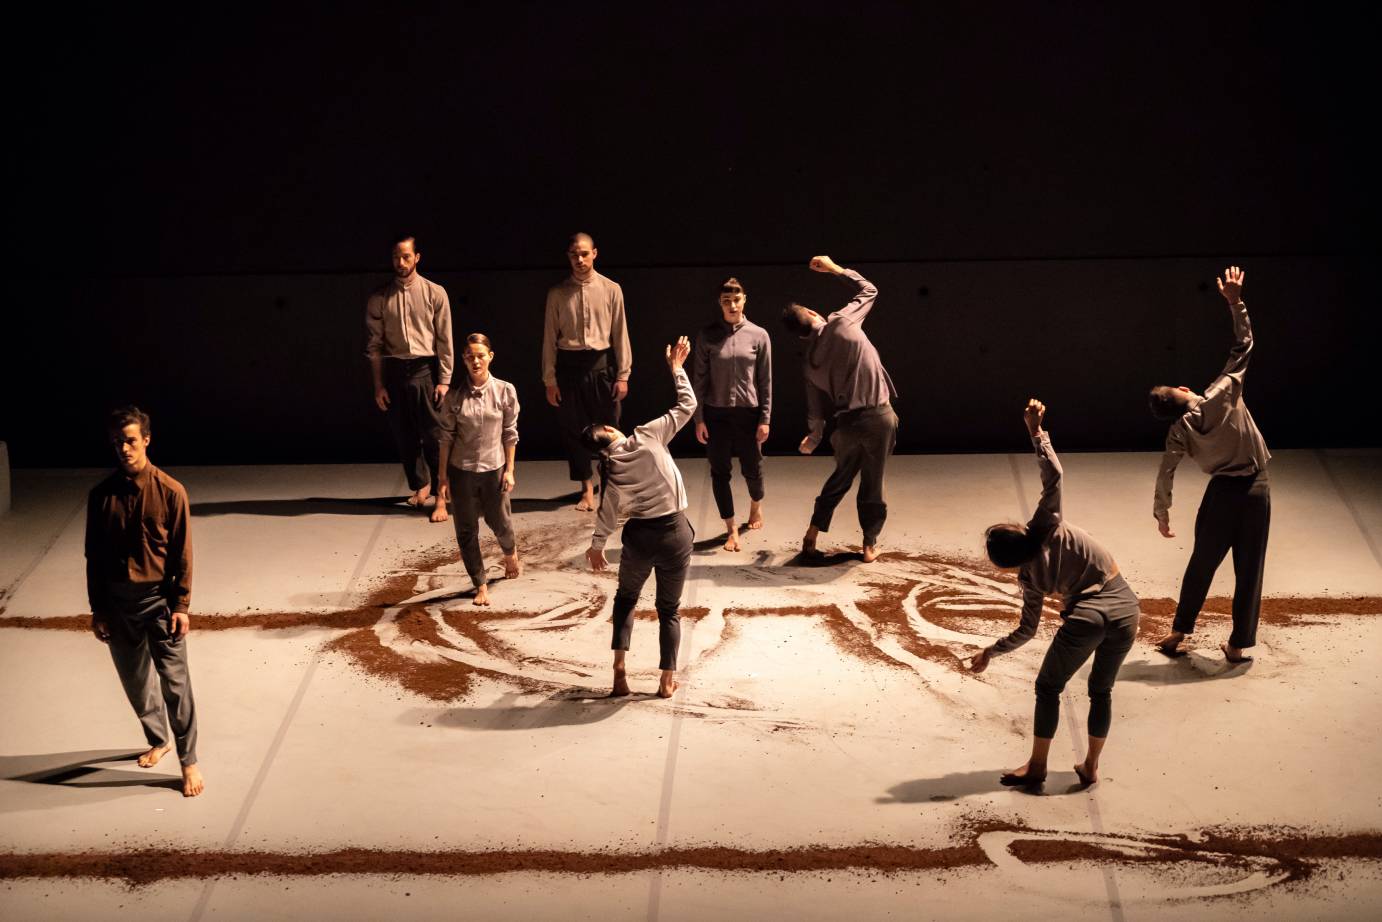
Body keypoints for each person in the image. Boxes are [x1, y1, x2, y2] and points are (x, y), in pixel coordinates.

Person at [969, 399, 1140, 790]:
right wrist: (1036, 430)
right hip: (1127, 608)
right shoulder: (1046, 523)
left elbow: (1027, 630)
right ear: (1017, 528)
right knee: (1102, 689)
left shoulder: (1029, 581)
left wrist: (990, 652)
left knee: (1048, 687)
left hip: (1087, 618)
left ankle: (1037, 766)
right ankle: (1091, 766)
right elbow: (1054, 476)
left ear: (1009, 565)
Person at [1149, 266, 1270, 664]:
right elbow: (1244, 345)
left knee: (1202, 562)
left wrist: (1162, 512)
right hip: (1255, 488)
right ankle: (1237, 646)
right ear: (1185, 390)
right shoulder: (1223, 393)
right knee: (1248, 570)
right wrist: (1236, 303)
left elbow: (1167, 470)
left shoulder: (1178, 432)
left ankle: (1178, 631)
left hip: (1220, 493)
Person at [84, 406, 205, 797]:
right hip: (118, 606)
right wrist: (98, 609)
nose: (124, 449)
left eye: (131, 441)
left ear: (146, 440)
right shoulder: (100, 497)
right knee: (136, 683)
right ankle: (159, 739)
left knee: (175, 684)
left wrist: (182, 606)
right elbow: (94, 559)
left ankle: (189, 761)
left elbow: (183, 555)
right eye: (118, 442)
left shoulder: (171, 492)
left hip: (159, 602)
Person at [584, 336, 695, 699]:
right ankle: (666, 680)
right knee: (669, 610)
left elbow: (607, 516)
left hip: (639, 539)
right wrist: (676, 369)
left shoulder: (611, 472)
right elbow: (687, 404)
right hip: (675, 534)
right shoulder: (647, 435)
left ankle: (619, 670)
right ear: (613, 432)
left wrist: (597, 546)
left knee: (626, 599)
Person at [782, 255, 897, 562]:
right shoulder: (841, 321)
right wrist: (834, 269)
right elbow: (869, 290)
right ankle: (869, 544)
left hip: (845, 426)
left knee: (840, 477)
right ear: (811, 313)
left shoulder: (810, 364)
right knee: (873, 481)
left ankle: (812, 531)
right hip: (878, 417)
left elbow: (815, 411)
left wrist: (814, 437)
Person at [542, 232, 632, 512]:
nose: (579, 259)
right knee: (574, 430)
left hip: (601, 367)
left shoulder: (611, 289)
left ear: (595, 253)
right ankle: (586, 487)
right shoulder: (557, 294)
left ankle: (611, 487)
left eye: (584, 253)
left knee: (611, 430)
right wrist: (550, 379)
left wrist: (623, 374)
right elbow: (549, 339)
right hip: (569, 369)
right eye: (573, 255)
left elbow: (620, 334)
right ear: (568, 257)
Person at [365, 234, 455, 513]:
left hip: (425, 369)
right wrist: (379, 385)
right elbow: (375, 346)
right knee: (404, 435)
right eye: (396, 257)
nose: (401, 262)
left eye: (406, 256)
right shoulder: (380, 298)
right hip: (395, 371)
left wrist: (444, 380)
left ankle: (443, 487)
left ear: (417, 257)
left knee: (435, 434)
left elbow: (444, 340)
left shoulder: (434, 292)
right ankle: (421, 484)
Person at [433, 333, 521, 606]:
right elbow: (446, 437)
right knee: (466, 530)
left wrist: (509, 470)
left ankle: (510, 552)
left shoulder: (505, 391)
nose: (475, 361)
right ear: (463, 360)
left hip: (494, 468)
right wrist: (443, 478)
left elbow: (510, 433)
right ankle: (480, 582)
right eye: (470, 356)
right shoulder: (455, 397)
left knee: (501, 522)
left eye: (480, 355)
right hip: (462, 471)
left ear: (490, 357)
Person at [692, 276, 772, 552]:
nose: (732, 305)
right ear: (720, 303)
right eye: (726, 301)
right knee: (719, 472)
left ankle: (755, 506)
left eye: (736, 299)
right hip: (716, 414)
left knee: (752, 468)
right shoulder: (707, 335)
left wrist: (765, 418)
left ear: (744, 300)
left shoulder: (759, 335)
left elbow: (765, 381)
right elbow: (699, 380)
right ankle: (731, 528)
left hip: (748, 414)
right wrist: (699, 418)